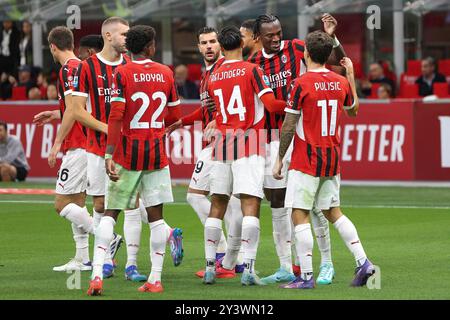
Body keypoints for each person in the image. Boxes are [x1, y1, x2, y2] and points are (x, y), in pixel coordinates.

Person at [87, 25, 184, 296]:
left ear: (130, 48)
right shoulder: (166, 73)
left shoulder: (122, 73)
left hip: (127, 154)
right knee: (155, 219)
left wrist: (108, 153)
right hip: (155, 154)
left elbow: (116, 117)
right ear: (151, 47)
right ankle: (155, 279)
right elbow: (174, 117)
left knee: (110, 214)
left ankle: (96, 275)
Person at [274, 30, 375, 289]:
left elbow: (288, 125)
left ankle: (306, 277)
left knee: (299, 214)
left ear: (306, 53)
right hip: (331, 157)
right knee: (333, 212)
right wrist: (350, 75)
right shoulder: (339, 82)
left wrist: (279, 158)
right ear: (328, 55)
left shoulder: (300, 84)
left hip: (306, 159)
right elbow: (353, 110)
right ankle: (363, 262)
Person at [249, 13, 342, 285]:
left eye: (279, 32)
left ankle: (326, 263)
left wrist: (331, 36)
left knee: (312, 204)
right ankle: (285, 265)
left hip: (299, 134)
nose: (276, 38)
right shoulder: (252, 64)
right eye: (270, 34)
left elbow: (335, 61)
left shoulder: (296, 48)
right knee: (277, 202)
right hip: (269, 138)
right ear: (258, 38)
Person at [202, 25, 287, 286]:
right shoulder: (253, 70)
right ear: (241, 42)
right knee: (250, 205)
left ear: (221, 47)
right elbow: (272, 105)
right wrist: (296, 105)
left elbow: (215, 110)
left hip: (221, 143)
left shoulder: (214, 75)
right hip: (249, 141)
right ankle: (249, 268)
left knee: (217, 206)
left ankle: (208, 268)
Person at [66, 18, 147, 281]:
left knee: (132, 205)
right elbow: (77, 110)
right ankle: (105, 260)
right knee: (100, 203)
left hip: (128, 148)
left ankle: (132, 265)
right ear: (109, 36)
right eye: (124, 34)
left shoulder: (131, 66)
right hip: (96, 147)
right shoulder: (86, 67)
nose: (128, 38)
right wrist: (107, 129)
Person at [166, 26, 245, 279]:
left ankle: (230, 257)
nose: (209, 46)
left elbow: (235, 104)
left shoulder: (225, 69)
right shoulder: (207, 73)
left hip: (229, 140)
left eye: (213, 41)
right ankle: (231, 256)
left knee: (226, 201)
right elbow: (206, 109)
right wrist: (183, 121)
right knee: (213, 198)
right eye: (204, 42)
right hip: (216, 142)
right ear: (198, 46)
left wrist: (219, 119)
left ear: (220, 45)